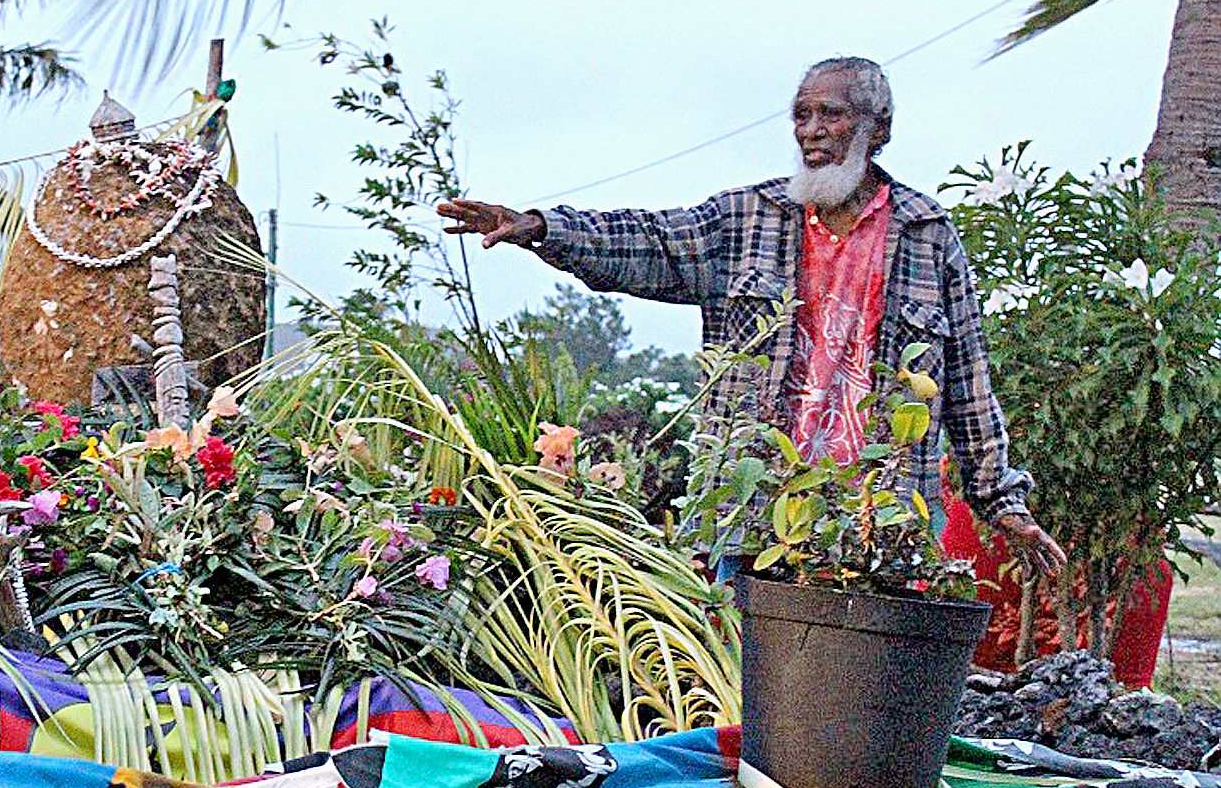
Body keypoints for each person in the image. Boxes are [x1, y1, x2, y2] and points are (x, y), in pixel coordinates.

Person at [436, 56, 1065, 578]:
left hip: (880, 516)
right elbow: (649, 241)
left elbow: (967, 380)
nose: (811, 131)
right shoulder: (746, 218)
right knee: (745, 676)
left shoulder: (926, 233)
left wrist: (1001, 501)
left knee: (858, 681)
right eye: (801, 115)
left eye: (831, 114)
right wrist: (542, 228)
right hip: (753, 511)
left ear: (879, 129)